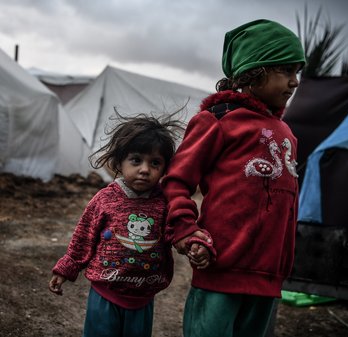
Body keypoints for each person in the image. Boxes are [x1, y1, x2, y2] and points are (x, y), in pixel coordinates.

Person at [162, 19, 306, 337]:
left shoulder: (286, 133)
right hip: (222, 267)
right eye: (285, 71)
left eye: (297, 72)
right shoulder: (218, 121)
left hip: (268, 274)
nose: (295, 82)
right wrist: (187, 230)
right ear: (254, 72)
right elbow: (176, 181)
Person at [48, 113, 208, 337]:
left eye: (155, 163)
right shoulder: (105, 199)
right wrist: (66, 268)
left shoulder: (164, 203)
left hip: (143, 296)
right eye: (136, 160)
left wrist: (192, 243)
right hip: (105, 291)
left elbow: (177, 231)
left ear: (165, 169)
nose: (145, 169)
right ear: (119, 162)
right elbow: (84, 237)